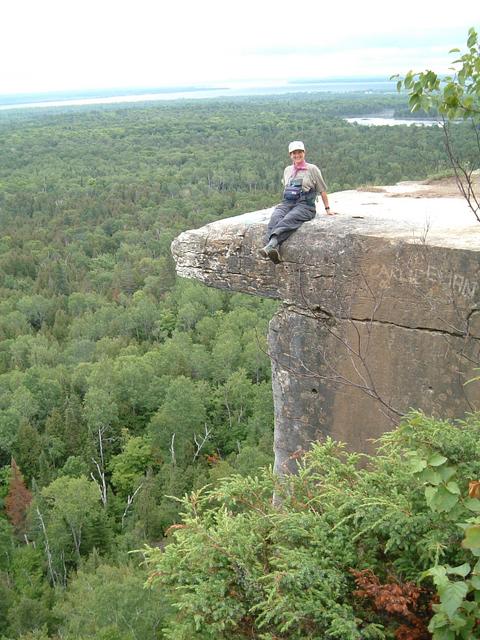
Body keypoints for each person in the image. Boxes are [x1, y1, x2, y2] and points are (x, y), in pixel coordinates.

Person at [260, 141, 333, 264]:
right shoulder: (288, 170)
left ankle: (271, 244)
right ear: (290, 155)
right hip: (288, 202)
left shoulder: (312, 169)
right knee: (275, 216)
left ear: (304, 153)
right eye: (294, 153)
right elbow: (287, 189)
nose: (297, 155)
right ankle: (273, 249)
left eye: (299, 152)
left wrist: (328, 209)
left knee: (289, 219)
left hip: (305, 205)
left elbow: (322, 190)